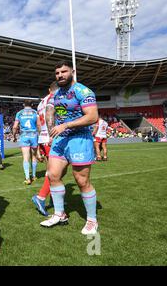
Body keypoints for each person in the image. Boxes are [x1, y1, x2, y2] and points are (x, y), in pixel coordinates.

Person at [40, 60, 99, 235]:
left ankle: (91, 220)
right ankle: (60, 214)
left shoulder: (83, 91)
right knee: (53, 175)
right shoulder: (57, 94)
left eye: (64, 72)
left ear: (72, 71)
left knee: (81, 181)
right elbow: (53, 112)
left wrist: (66, 126)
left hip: (79, 139)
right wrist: (52, 130)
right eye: (57, 73)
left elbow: (92, 117)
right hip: (60, 140)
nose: (60, 75)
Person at [31, 82, 59, 216]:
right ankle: (41, 197)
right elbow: (50, 116)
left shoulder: (41, 101)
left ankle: (54, 199)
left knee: (55, 170)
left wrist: (39, 139)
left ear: (49, 89)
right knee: (55, 170)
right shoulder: (55, 98)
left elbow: (38, 123)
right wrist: (51, 134)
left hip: (43, 137)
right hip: (50, 137)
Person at [12, 100, 41, 185]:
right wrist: (39, 134)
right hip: (34, 135)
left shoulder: (19, 113)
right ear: (32, 104)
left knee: (25, 157)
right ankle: (34, 176)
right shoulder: (35, 112)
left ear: (23, 104)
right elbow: (39, 125)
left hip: (24, 136)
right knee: (34, 156)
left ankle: (28, 178)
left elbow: (15, 127)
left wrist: (14, 136)